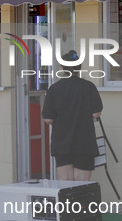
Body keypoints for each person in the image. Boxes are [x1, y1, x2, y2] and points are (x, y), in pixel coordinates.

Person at [42, 50, 103, 181]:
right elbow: (96, 113)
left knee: (66, 187)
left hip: (62, 142)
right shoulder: (89, 87)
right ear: (79, 67)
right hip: (84, 142)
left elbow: (48, 118)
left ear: (63, 68)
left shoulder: (54, 89)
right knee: (81, 188)